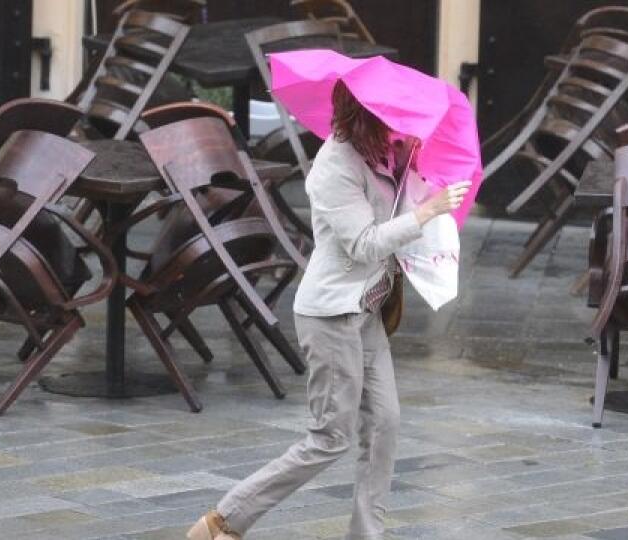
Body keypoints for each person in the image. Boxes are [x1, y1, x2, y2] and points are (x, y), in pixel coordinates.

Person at [188, 81, 471, 540]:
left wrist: (415, 173)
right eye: (390, 117)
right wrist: (425, 213)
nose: (399, 126)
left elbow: (389, 212)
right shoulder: (334, 165)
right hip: (331, 316)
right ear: (366, 116)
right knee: (330, 438)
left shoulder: (382, 154)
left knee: (385, 424)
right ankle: (223, 520)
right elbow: (362, 244)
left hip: (368, 309)